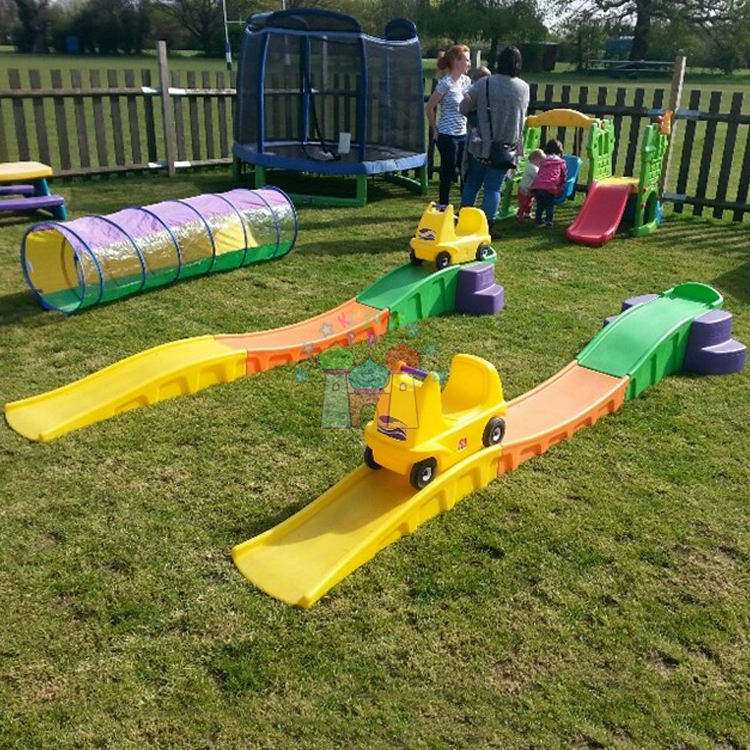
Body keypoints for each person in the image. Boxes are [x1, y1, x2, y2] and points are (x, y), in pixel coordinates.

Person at [459, 46, 529, 237]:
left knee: (472, 184)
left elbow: (463, 107)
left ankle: (464, 223)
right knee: (493, 189)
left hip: (480, 145)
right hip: (505, 148)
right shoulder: (524, 88)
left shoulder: (484, 83)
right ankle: (487, 228)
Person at [425, 45, 472, 207]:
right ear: (456, 61)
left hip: (463, 134)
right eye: (466, 60)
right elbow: (429, 107)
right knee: (448, 171)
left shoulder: (466, 82)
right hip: (447, 135)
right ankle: (443, 205)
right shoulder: (445, 83)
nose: (469, 63)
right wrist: (435, 130)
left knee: (465, 170)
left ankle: (465, 206)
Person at [531, 139, 567, 228]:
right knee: (549, 205)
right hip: (549, 187)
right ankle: (548, 222)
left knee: (540, 205)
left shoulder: (543, 162)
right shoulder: (560, 162)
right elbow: (563, 175)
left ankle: (538, 221)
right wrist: (561, 185)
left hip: (537, 186)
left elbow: (541, 173)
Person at [515, 148, 545, 221]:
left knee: (530, 202)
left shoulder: (532, 166)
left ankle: (527, 214)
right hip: (525, 189)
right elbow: (537, 177)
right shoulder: (532, 168)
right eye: (540, 161)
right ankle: (519, 215)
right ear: (536, 159)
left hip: (529, 189)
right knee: (524, 203)